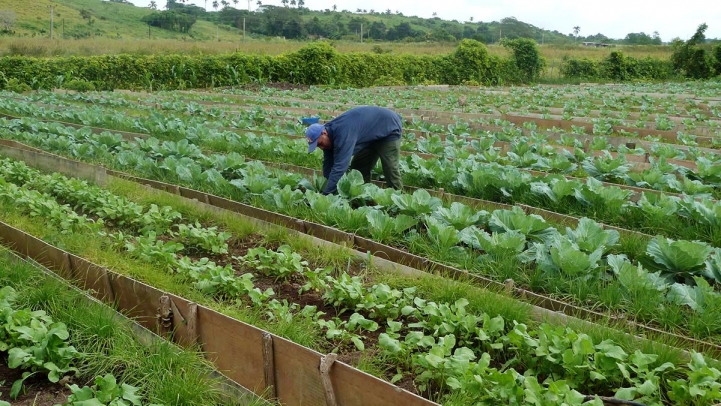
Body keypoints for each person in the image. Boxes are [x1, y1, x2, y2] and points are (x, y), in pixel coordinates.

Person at [305, 106, 403, 195]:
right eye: (318, 146)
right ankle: (364, 195)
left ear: (324, 133)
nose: (321, 147)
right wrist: (326, 184)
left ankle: (397, 197)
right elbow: (328, 163)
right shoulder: (328, 135)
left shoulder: (343, 134)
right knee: (358, 166)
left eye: (320, 143)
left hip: (389, 127)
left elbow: (340, 167)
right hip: (370, 133)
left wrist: (326, 194)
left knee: (390, 167)